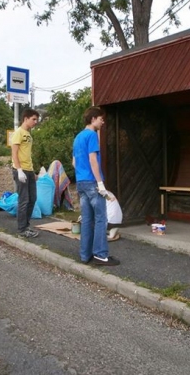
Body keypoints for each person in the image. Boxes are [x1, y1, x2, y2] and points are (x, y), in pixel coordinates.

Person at [72, 106, 120, 266]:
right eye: (101, 119)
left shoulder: (78, 137)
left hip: (81, 183)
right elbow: (93, 159)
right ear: (93, 119)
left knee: (86, 220)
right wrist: (100, 184)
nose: (103, 122)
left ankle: (85, 255)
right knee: (101, 219)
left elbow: (74, 162)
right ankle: (100, 255)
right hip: (92, 182)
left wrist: (82, 174)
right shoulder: (92, 135)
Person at [12, 109, 40, 238]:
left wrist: (32, 171)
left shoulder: (29, 134)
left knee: (32, 199)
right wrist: (19, 170)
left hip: (29, 170)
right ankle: (21, 230)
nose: (35, 122)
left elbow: (27, 154)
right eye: (33, 119)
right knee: (24, 200)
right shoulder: (18, 133)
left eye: (36, 120)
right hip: (20, 170)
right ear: (26, 118)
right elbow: (14, 153)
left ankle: (26, 225)